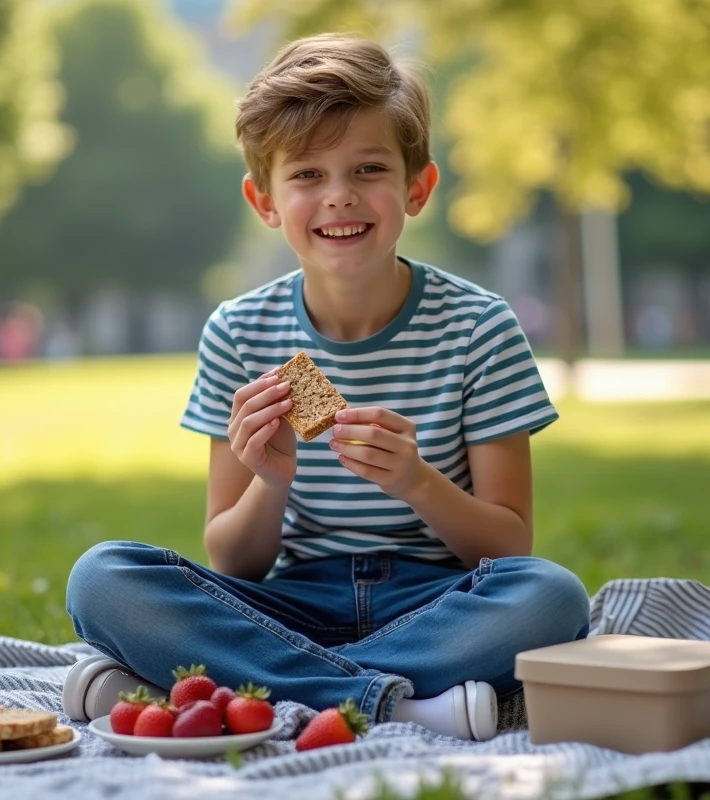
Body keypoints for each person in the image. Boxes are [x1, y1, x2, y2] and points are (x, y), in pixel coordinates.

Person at [64, 33, 590, 740]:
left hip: (436, 601)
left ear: (417, 187)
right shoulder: (239, 333)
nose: (339, 197)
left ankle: (226, 684)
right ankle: (393, 702)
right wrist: (270, 480)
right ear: (265, 200)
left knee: (552, 598)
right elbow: (234, 558)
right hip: (287, 601)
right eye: (307, 175)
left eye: (368, 168)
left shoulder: (480, 330)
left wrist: (418, 483)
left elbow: (509, 550)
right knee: (101, 578)